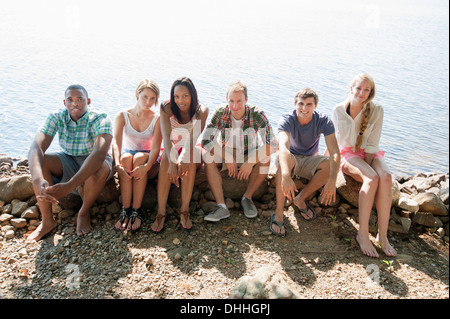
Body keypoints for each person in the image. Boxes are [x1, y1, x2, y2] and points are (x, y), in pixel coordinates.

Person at [26, 84, 113, 241]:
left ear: (88, 101)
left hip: (95, 159)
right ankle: (47, 222)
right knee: (43, 161)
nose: (75, 103)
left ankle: (84, 211)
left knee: (97, 170)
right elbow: (35, 147)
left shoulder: (101, 118)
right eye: (70, 100)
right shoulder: (56, 116)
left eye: (80, 99)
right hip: (69, 158)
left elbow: (99, 154)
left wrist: (70, 185)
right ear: (64, 102)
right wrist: (38, 180)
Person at [332, 73, 397, 258]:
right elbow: (335, 140)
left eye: (366, 89)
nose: (361, 92)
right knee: (372, 178)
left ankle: (382, 236)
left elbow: (372, 144)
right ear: (351, 88)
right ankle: (362, 234)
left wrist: (367, 165)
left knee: (385, 177)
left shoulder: (377, 110)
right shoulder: (338, 110)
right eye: (358, 88)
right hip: (348, 154)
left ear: (371, 92)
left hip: (369, 153)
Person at [202, 80, 278, 222]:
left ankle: (247, 198)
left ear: (246, 100)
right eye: (231, 101)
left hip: (250, 153)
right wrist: (228, 157)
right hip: (228, 153)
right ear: (226, 99)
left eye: (239, 101)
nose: (235, 106)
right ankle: (221, 206)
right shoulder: (220, 112)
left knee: (265, 158)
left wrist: (250, 162)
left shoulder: (256, 114)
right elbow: (206, 140)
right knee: (208, 156)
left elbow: (273, 144)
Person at [272, 88, 340, 236]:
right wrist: (285, 175)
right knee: (285, 161)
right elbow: (283, 147)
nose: (304, 108)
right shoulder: (287, 119)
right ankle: (278, 213)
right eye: (301, 103)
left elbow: (334, 151)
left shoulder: (323, 120)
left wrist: (333, 180)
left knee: (329, 165)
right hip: (292, 157)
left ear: (315, 105)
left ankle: (300, 199)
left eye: (309, 104)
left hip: (310, 158)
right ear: (295, 103)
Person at [151, 77, 209, 233]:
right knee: (165, 158)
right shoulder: (166, 108)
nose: (180, 100)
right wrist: (172, 162)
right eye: (176, 96)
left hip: (191, 149)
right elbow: (167, 137)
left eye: (185, 96)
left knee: (188, 157)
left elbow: (192, 139)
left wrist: (181, 159)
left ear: (192, 95)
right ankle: (161, 212)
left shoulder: (201, 111)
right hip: (171, 149)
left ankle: (184, 210)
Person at [111, 79, 162, 233]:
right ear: (137, 94)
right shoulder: (122, 115)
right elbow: (115, 142)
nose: (148, 101)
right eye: (145, 97)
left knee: (139, 157)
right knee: (126, 158)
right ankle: (125, 210)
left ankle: (136, 211)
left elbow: (156, 148)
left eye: (153, 98)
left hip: (148, 158)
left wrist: (147, 166)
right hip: (128, 156)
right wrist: (117, 163)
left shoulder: (157, 118)